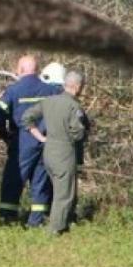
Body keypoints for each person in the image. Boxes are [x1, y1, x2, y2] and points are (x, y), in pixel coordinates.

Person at [0, 55, 63, 226]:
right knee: (40, 181)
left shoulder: (14, 90)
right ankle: (36, 220)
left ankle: (7, 219)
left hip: (22, 141)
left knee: (13, 179)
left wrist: (5, 135)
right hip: (45, 141)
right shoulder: (51, 90)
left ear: (21, 70)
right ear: (37, 70)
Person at [22, 70, 89, 235]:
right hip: (64, 153)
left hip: (48, 151)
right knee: (64, 194)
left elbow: (27, 117)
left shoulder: (49, 101)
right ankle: (55, 229)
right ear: (77, 86)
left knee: (58, 190)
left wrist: (39, 136)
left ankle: (62, 224)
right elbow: (78, 133)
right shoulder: (74, 106)